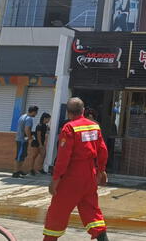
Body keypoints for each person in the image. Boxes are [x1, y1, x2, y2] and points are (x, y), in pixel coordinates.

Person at [43, 97, 109, 241]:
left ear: (68, 113)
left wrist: (56, 179)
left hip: (72, 177)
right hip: (90, 176)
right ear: (83, 111)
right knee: (91, 211)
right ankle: (102, 237)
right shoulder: (94, 126)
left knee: (57, 212)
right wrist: (101, 170)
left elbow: (63, 157)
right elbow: (103, 150)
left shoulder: (69, 128)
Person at [14, 106, 38, 178]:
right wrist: (30, 138)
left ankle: (19, 170)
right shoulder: (29, 119)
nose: (36, 114)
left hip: (20, 139)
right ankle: (16, 172)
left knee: (22, 155)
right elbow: (27, 129)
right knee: (19, 156)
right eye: (36, 112)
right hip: (22, 140)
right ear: (33, 111)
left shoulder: (23, 116)